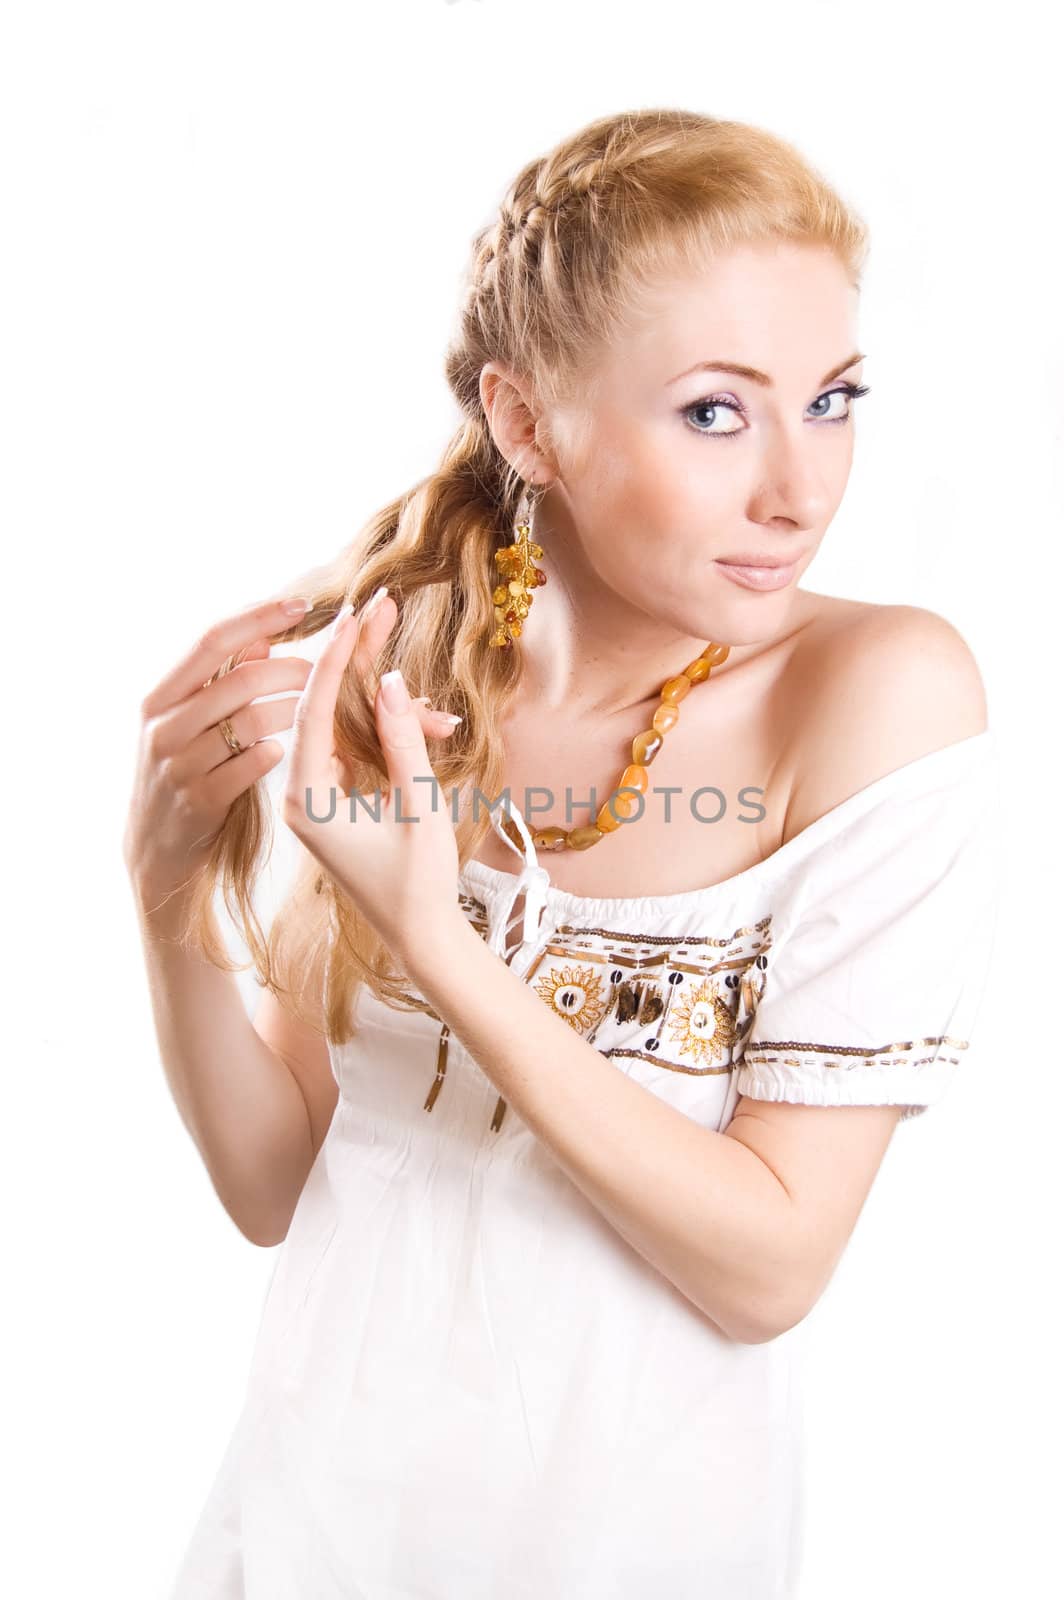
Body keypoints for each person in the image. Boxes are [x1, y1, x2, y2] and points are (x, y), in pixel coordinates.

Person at [124, 108, 1001, 1598]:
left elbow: (769, 1269)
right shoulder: (421, 677)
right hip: (311, 1522)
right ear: (528, 424)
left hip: (638, 1551)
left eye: (834, 398)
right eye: (717, 413)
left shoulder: (874, 696)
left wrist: (445, 951)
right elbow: (282, 1184)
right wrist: (167, 900)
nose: (800, 488)